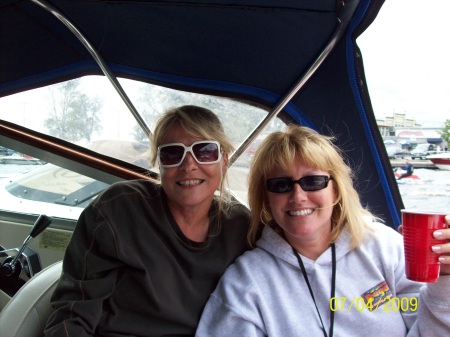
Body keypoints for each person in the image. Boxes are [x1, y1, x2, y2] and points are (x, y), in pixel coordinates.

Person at [196, 125, 450, 337]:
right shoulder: (244, 285)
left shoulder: (385, 248)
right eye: (281, 184)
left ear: (336, 190)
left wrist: (445, 280)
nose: (298, 196)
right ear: (266, 198)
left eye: (313, 181)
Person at [44, 105, 251, 337]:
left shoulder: (241, 228)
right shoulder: (118, 211)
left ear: (223, 161)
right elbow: (73, 313)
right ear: (159, 164)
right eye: (172, 154)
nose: (189, 165)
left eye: (204, 151)